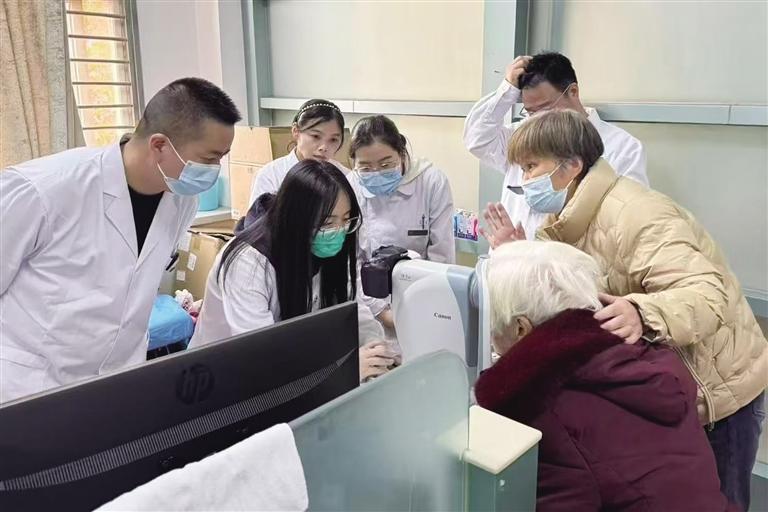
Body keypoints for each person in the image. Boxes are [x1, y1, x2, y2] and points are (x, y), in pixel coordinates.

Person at [481, 109, 768, 511]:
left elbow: (707, 293)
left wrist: (641, 311)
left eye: (531, 167)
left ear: (572, 166)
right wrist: (521, 256)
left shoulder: (638, 214)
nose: (523, 180)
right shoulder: (566, 216)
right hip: (667, 385)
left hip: (719, 389)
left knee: (713, 496)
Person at [0, 78, 241, 403]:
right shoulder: (42, 190)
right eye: (209, 159)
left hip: (119, 380)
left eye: (222, 158)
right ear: (159, 145)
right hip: (31, 386)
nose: (215, 169)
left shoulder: (182, 200)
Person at [474, 241, 735, 512]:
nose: (490, 335)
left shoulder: (546, 410)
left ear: (521, 328)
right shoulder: (643, 359)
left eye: (492, 324)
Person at [190, 160, 397, 382]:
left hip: (298, 368)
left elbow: (353, 309)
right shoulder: (248, 263)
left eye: (346, 220)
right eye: (327, 223)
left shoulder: (329, 246)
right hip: (225, 378)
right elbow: (262, 356)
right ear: (296, 219)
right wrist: (345, 369)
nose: (338, 231)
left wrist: (374, 349)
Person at [463, 52, 648, 238]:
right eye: (531, 112)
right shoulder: (521, 135)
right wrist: (508, 89)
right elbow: (477, 138)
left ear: (573, 92)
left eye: (545, 109)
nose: (539, 119)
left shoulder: (622, 147)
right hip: (513, 253)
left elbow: (625, 221)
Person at [347, 115, 455, 331]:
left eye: (386, 164)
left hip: (423, 297)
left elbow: (441, 254)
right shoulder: (351, 185)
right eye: (365, 167)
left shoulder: (430, 182)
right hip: (368, 303)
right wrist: (380, 310)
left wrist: (425, 307)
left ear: (402, 153)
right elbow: (352, 261)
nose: (376, 173)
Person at [249, 99, 348, 205]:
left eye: (333, 140)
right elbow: (258, 215)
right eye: (316, 136)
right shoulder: (271, 175)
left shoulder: (345, 177)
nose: (324, 147)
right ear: (296, 131)